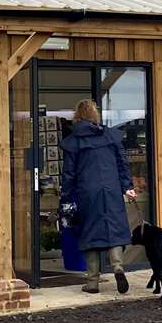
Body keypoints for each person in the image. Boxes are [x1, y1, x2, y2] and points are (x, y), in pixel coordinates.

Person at [60, 99, 137, 294]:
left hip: (87, 192)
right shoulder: (110, 136)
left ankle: (92, 281)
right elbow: (122, 163)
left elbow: (69, 173)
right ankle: (118, 267)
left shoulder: (74, 140)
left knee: (89, 231)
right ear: (95, 115)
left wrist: (66, 197)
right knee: (114, 227)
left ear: (78, 116)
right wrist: (127, 185)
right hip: (111, 189)